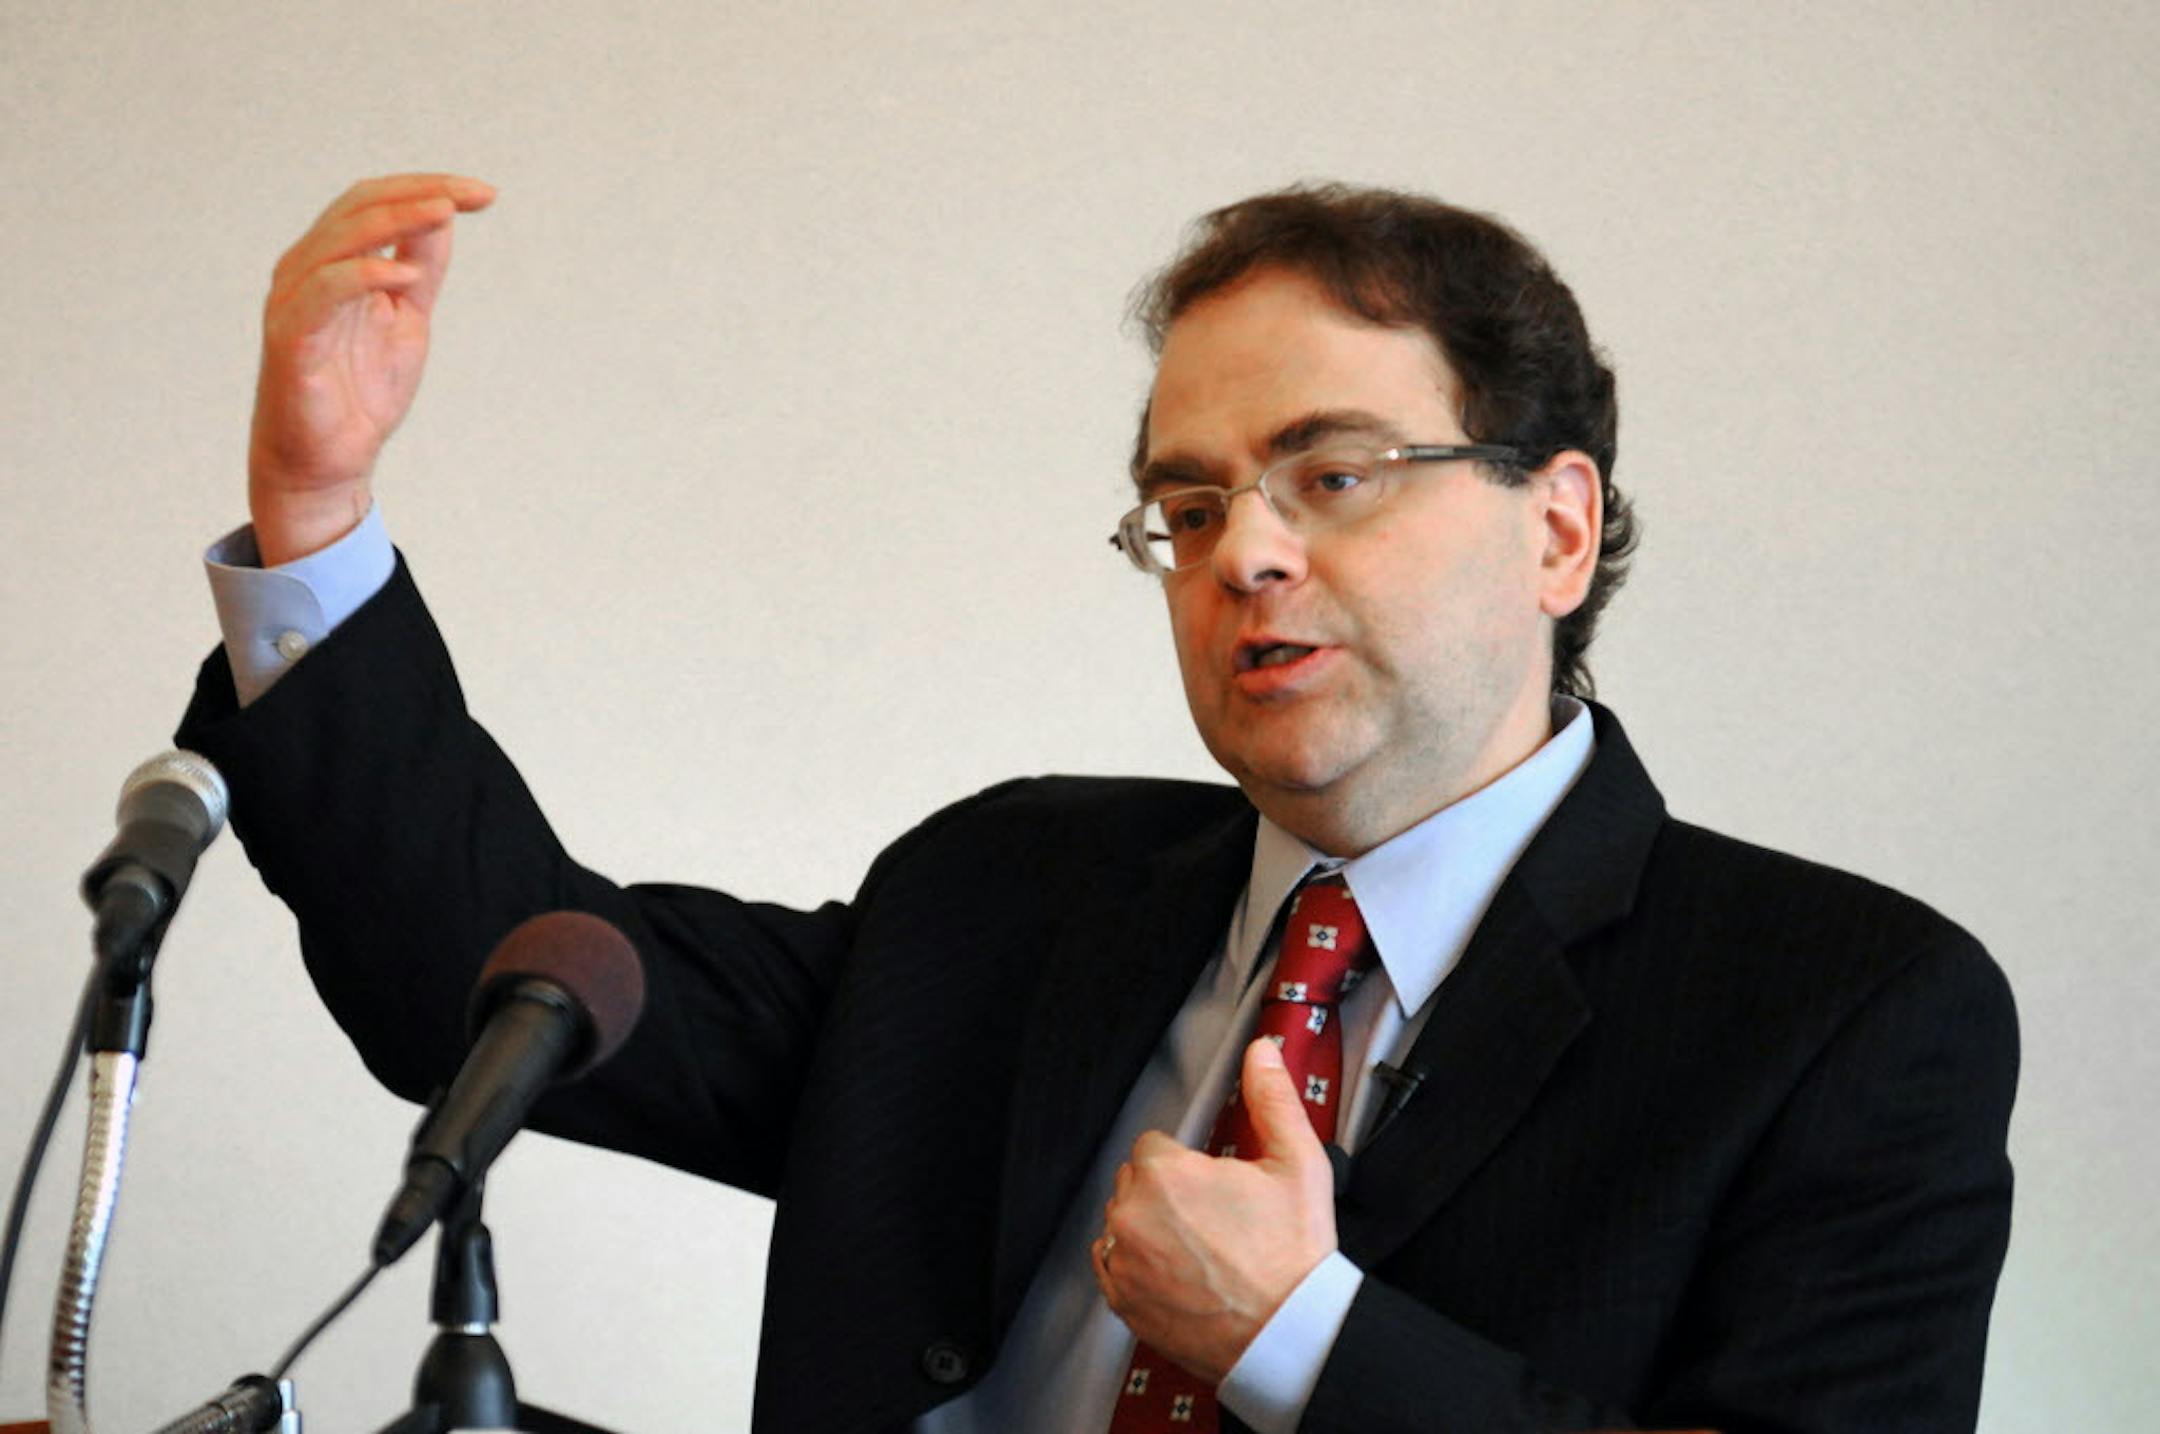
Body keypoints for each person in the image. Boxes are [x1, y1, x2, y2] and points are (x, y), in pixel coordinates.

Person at [176, 174, 2018, 1433]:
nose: (1250, 557)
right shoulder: (1010, 894)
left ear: (1558, 525)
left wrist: (1307, 1342)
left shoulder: (1843, 1009)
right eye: (1193, 505)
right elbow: (494, 979)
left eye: (1335, 475)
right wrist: (315, 513)